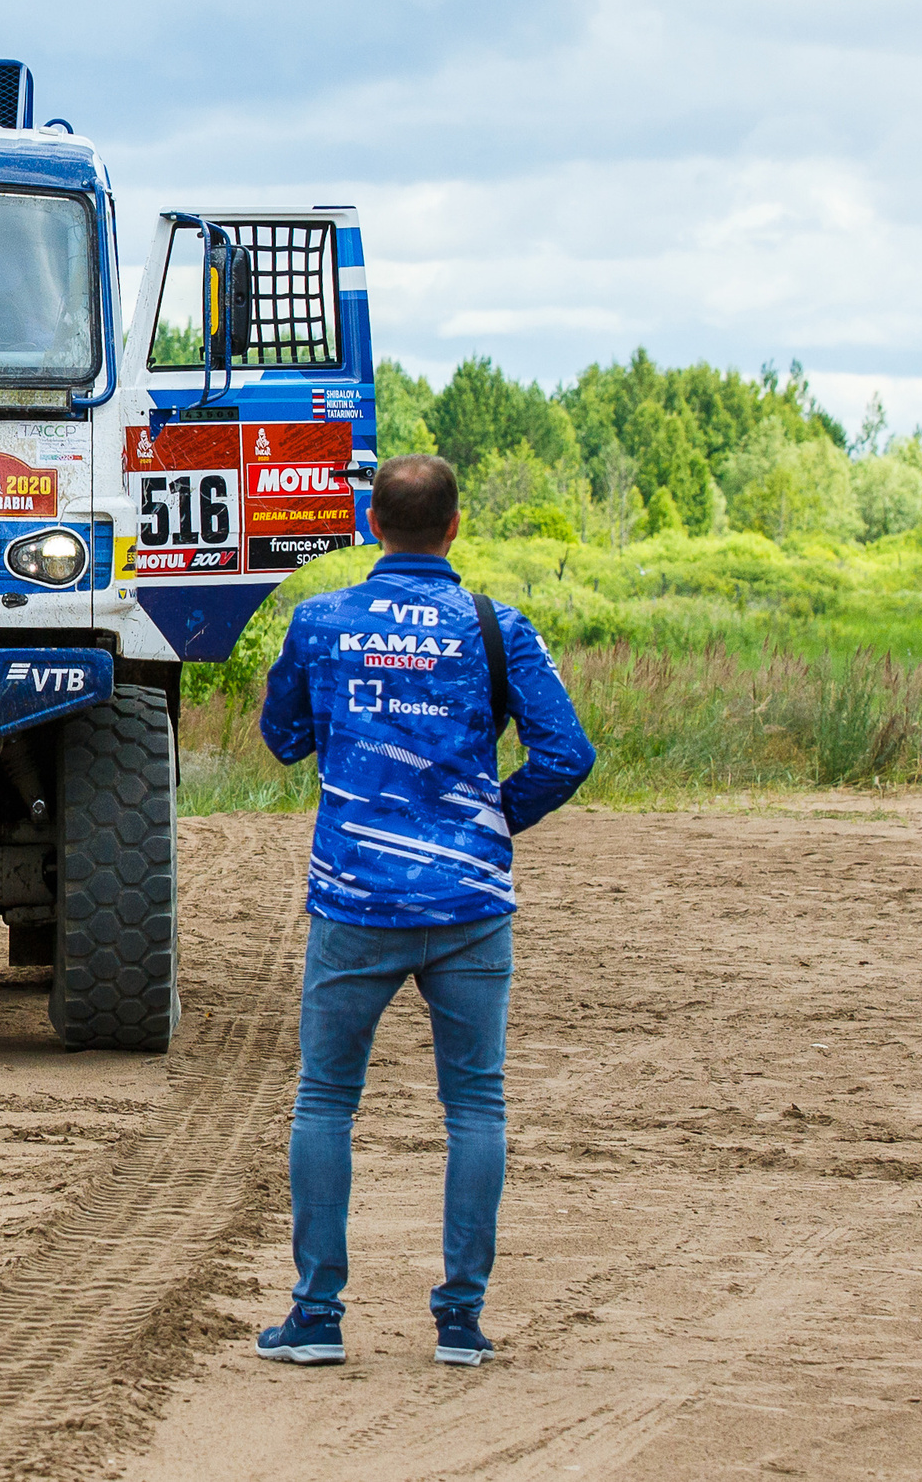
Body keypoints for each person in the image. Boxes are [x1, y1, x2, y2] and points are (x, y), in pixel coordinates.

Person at [252, 454, 594, 1369]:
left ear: (371, 522)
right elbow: (567, 751)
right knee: (474, 1105)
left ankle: (317, 1316)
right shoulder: (496, 625)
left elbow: (283, 739)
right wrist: (492, 820)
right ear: (454, 528)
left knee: (326, 1099)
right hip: (472, 903)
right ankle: (460, 1320)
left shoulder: (320, 621)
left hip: (355, 898)